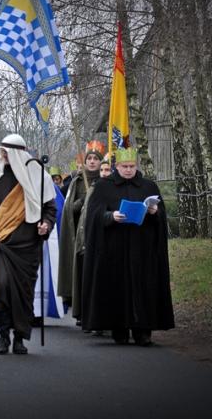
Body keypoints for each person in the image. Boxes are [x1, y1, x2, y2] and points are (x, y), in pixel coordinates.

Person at [81, 147, 174, 346]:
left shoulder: (148, 186)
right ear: (117, 166)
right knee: (116, 288)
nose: (129, 170)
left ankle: (143, 331)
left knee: (144, 287)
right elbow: (94, 216)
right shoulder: (103, 186)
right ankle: (119, 329)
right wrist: (110, 216)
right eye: (125, 167)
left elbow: (161, 216)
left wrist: (154, 212)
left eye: (132, 166)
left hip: (143, 248)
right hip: (114, 248)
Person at [0, 134, 57, 355]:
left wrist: (46, 224)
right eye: (1, 152)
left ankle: (19, 338)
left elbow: (50, 209)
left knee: (24, 293)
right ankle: (3, 335)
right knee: (2, 285)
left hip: (28, 246)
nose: (2, 156)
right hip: (0, 244)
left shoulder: (38, 175)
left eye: (6, 153)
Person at [58, 140, 104, 325]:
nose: (92, 161)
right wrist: (82, 202)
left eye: (96, 159)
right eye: (89, 158)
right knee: (81, 273)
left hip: (98, 233)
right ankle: (81, 311)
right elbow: (68, 208)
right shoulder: (77, 181)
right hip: (79, 234)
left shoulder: (105, 181)